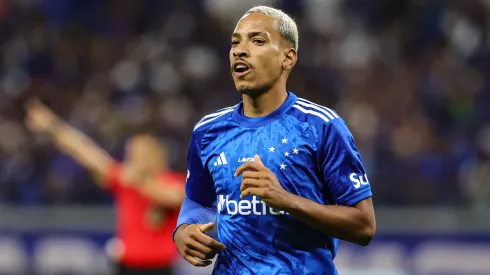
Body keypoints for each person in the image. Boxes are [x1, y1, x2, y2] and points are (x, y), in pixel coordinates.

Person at [173, 5, 376, 275]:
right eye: (235, 42)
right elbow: (198, 200)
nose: (240, 50)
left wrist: (285, 199)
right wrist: (184, 229)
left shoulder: (320, 126)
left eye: (258, 40)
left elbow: (364, 226)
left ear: (288, 58)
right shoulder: (208, 130)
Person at [24, 99, 185, 275]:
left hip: (160, 268)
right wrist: (53, 126)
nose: (134, 158)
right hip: (127, 266)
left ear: (158, 154)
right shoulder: (125, 178)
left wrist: (139, 181)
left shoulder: (173, 180)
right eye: (131, 152)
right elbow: (87, 152)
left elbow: (172, 197)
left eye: (140, 152)